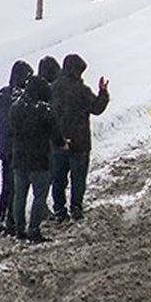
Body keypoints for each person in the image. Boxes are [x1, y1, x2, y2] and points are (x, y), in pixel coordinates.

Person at [50, 53, 110, 221]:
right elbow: (97, 108)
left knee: (59, 179)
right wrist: (103, 93)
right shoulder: (81, 90)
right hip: (79, 141)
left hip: (58, 141)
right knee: (78, 178)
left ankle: (59, 209)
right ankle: (76, 207)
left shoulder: (53, 88)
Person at [10, 75, 66, 243]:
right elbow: (56, 135)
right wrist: (62, 143)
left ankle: (19, 229)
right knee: (39, 196)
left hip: (19, 158)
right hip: (39, 160)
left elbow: (13, 128)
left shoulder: (16, 107)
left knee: (19, 195)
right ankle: (34, 229)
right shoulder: (45, 110)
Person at [0, 60, 33, 236]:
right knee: (16, 184)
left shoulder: (2, 94)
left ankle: (2, 215)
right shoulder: (22, 98)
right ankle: (11, 219)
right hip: (17, 147)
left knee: (6, 183)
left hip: (4, 146)